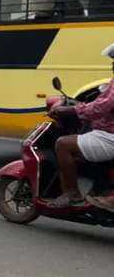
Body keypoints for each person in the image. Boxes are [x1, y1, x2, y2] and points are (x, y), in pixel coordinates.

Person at [48, 42, 114, 209]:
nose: (112, 64)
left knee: (63, 145)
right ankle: (100, 188)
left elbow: (102, 107)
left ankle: (72, 195)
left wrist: (72, 110)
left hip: (110, 136)